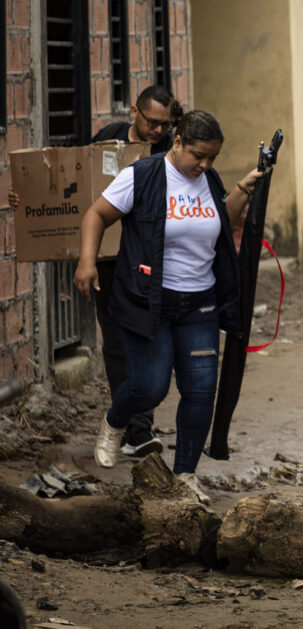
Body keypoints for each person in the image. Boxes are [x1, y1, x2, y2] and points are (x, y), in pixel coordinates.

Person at [73, 111, 261, 504]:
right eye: (198, 155)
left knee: (200, 390)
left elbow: (218, 222)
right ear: (177, 142)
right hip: (149, 300)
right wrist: (87, 262)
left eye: (212, 158)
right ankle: (114, 421)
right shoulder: (142, 175)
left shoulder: (207, 179)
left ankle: (185, 476)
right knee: (150, 386)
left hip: (200, 303)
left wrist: (241, 189)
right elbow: (96, 214)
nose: (205, 165)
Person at [8, 86, 181, 458]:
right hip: (107, 260)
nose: (158, 130)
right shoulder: (107, 139)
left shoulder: (170, 152)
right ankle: (131, 429)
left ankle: (138, 429)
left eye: (165, 125)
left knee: (144, 338)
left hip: (147, 260)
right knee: (117, 343)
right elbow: (74, 189)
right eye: (152, 122)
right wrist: (27, 199)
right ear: (135, 111)